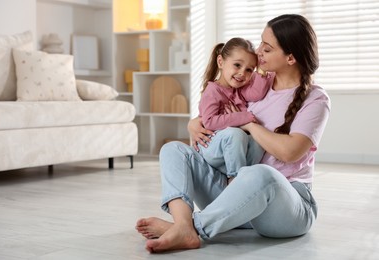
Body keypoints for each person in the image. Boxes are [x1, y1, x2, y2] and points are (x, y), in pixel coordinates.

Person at [136, 14, 331, 253]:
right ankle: (184, 224)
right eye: (261, 44)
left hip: (287, 205)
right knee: (173, 150)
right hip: (235, 198)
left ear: (290, 57)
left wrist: (249, 125)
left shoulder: (315, 99)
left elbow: (290, 152)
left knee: (261, 174)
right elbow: (220, 109)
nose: (258, 52)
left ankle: (189, 228)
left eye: (267, 49)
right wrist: (194, 123)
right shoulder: (256, 82)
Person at [198, 37, 271, 180]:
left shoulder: (239, 90)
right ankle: (235, 179)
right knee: (235, 134)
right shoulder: (212, 91)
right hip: (211, 146)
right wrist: (244, 118)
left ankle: (244, 176)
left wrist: (262, 71)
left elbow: (257, 93)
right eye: (237, 65)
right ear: (221, 62)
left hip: (233, 150)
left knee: (259, 141)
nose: (242, 73)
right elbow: (210, 122)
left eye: (249, 70)